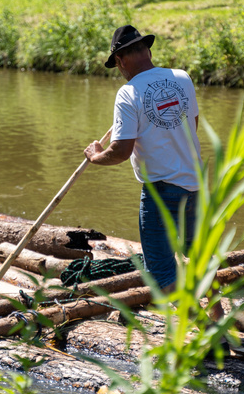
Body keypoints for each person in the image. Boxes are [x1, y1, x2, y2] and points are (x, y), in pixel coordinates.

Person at [84, 24, 203, 294]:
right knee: (198, 258)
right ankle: (218, 321)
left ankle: (205, 327)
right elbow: (189, 127)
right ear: (147, 50)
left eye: (117, 65)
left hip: (162, 190)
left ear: (120, 59)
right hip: (195, 184)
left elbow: (121, 152)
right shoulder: (181, 77)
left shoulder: (128, 93)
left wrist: (95, 156)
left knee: (161, 274)